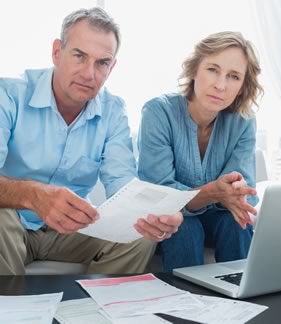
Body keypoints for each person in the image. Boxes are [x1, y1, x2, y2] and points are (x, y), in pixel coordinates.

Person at [0, 7, 183, 275]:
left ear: (112, 67)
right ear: (56, 52)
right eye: (79, 56)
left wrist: (159, 215)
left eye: (102, 62)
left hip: (70, 229)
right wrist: (33, 195)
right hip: (11, 221)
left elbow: (123, 187)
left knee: (140, 233)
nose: (89, 73)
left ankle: (90, 310)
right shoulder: (9, 95)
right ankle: (12, 312)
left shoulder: (113, 111)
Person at [138, 31, 263, 272]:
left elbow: (240, 194)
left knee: (237, 222)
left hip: (220, 220)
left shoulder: (243, 121)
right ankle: (186, 306)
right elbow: (161, 195)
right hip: (174, 222)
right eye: (213, 69)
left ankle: (241, 303)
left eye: (234, 76)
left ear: (241, 87)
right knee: (184, 226)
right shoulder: (158, 112)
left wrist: (234, 194)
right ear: (195, 69)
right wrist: (214, 192)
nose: (220, 85)